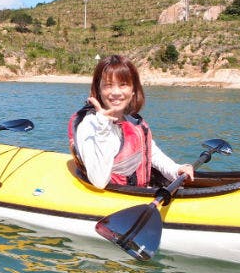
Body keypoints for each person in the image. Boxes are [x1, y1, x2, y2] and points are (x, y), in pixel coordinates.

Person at [68, 54, 194, 189]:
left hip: (140, 191)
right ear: (99, 90)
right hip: (114, 199)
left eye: (123, 85)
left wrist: (175, 169)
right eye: (108, 85)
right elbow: (99, 181)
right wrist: (103, 125)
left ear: (133, 90)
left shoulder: (132, 120)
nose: (116, 92)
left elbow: (151, 153)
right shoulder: (89, 125)